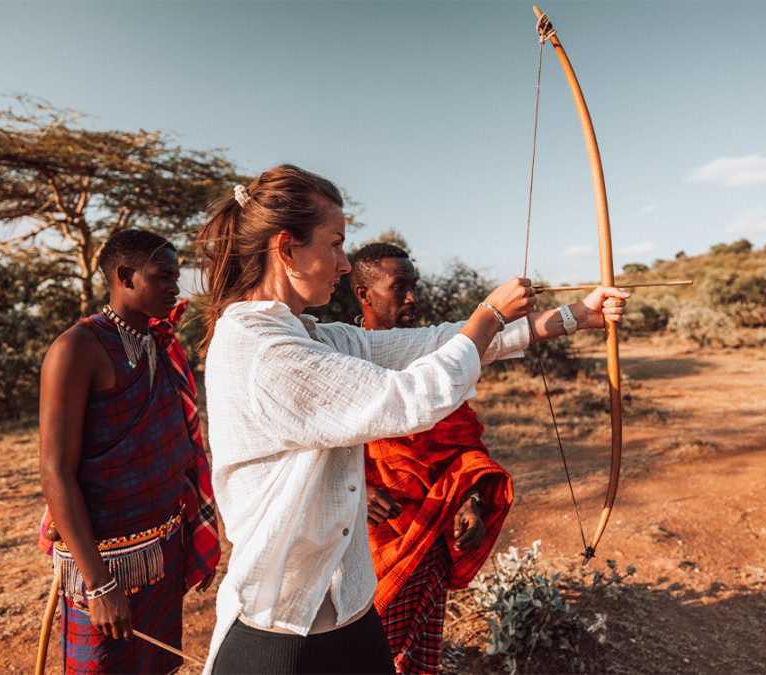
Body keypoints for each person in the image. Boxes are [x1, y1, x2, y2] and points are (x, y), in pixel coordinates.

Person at [195, 164, 628, 675]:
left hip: (349, 613)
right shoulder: (259, 346)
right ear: (287, 249)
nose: (341, 264)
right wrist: (489, 313)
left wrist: (577, 314)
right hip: (280, 633)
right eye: (334, 245)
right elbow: (407, 398)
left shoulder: (310, 334)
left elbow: (429, 344)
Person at [38, 229, 221, 673]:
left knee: (154, 667)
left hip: (161, 547)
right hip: (101, 563)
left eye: (176, 277)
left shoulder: (160, 343)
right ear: (124, 276)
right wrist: (99, 585)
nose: (176, 288)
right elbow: (55, 472)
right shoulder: (77, 348)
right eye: (163, 277)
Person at [349, 243, 513, 674]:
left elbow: (463, 445)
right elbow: (313, 448)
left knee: (416, 655)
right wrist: (354, 491)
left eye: (413, 286)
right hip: (367, 536)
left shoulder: (436, 357)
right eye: (397, 287)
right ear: (364, 294)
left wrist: (471, 501)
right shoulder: (341, 356)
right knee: (361, 653)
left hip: (431, 529)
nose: (412, 299)